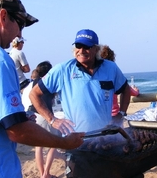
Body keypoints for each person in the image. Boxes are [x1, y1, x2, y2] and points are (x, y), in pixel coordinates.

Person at [0, 0, 84, 178]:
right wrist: (64, 142)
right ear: (3, 16)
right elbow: (17, 131)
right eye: (20, 24)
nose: (19, 34)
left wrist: (19, 118)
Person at [29, 29, 131, 177]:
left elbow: (125, 89)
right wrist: (52, 120)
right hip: (75, 143)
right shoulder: (63, 70)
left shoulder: (110, 68)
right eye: (78, 46)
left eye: (87, 47)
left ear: (96, 49)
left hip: (105, 140)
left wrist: (121, 113)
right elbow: (34, 94)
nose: (81, 50)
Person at [27, 61, 62, 178]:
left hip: (33, 114)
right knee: (54, 142)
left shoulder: (34, 83)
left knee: (38, 146)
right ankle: (46, 173)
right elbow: (53, 99)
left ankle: (42, 173)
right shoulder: (48, 83)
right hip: (44, 115)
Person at [99, 44, 139, 116]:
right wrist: (136, 92)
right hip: (114, 114)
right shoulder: (112, 73)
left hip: (100, 115)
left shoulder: (97, 74)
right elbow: (126, 89)